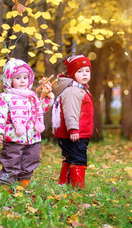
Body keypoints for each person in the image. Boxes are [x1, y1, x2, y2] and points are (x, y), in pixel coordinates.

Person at [0, 58, 54, 187]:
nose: (22, 81)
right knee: (11, 158)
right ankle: (6, 181)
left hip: (32, 136)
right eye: (18, 78)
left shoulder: (32, 96)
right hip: (14, 136)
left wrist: (47, 96)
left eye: (25, 77)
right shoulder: (5, 97)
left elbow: (40, 109)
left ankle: (24, 179)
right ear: (9, 79)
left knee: (31, 158)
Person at [51, 55, 93, 188]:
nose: (84, 74)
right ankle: (77, 186)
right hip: (75, 134)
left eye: (87, 70)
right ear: (72, 74)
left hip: (76, 133)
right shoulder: (73, 91)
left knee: (71, 157)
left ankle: (64, 183)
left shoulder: (79, 89)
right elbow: (70, 111)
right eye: (79, 71)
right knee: (79, 158)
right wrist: (73, 129)